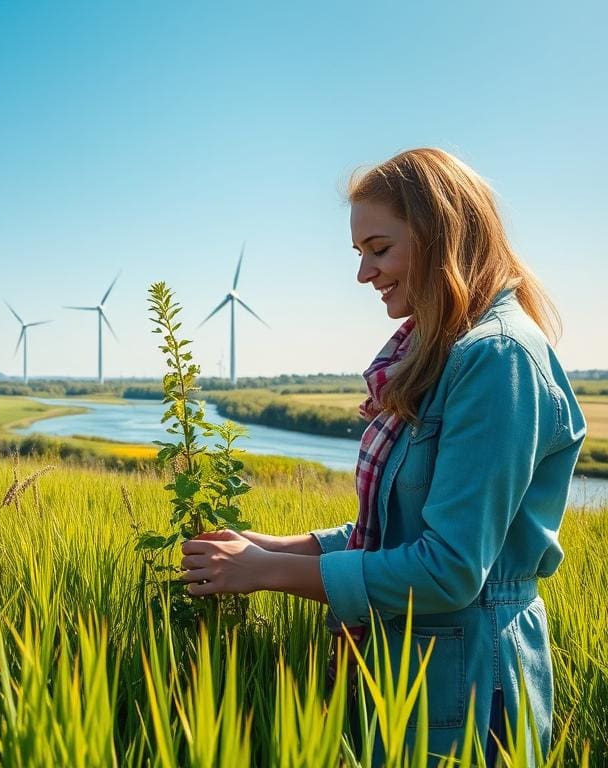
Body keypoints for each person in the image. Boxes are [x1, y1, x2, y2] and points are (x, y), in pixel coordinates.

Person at [179, 148, 586, 762]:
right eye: (359, 253)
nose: (364, 274)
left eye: (379, 247)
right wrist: (267, 546)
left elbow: (449, 567)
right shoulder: (444, 352)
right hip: (423, 662)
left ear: (439, 233)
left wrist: (266, 573)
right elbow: (402, 529)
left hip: (474, 677)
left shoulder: (495, 359)